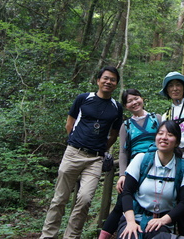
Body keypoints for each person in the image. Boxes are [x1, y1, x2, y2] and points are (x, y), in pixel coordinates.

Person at [40, 66, 123, 239]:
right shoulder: (84, 99)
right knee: (59, 198)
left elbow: (114, 135)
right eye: (105, 78)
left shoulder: (116, 107)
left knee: (84, 199)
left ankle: (71, 236)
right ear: (98, 80)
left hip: (95, 159)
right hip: (73, 154)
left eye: (112, 80)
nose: (108, 82)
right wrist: (76, 143)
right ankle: (48, 235)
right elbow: (69, 124)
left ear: (116, 84)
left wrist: (100, 148)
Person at [98, 88, 162, 239]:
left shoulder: (156, 119)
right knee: (122, 203)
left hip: (157, 165)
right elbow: (123, 152)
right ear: (126, 106)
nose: (134, 103)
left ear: (142, 98)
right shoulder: (126, 126)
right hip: (135, 168)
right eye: (129, 101)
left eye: (136, 98)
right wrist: (122, 175)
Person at [117, 120, 184, 239]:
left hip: (161, 222)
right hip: (134, 217)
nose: (164, 138)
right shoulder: (141, 159)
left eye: (170, 135)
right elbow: (127, 192)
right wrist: (130, 222)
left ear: (177, 142)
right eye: (160, 133)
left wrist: (163, 220)